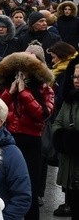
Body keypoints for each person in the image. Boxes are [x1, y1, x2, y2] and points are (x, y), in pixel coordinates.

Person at [0, 49, 54, 220]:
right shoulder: (7, 85)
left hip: (31, 141)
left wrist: (24, 93)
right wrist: (10, 93)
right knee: (3, 184)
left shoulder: (44, 89)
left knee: (29, 188)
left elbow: (43, 114)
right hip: (8, 139)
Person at [52, 60, 79, 218]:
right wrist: (65, 139)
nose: (76, 80)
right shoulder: (69, 100)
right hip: (70, 166)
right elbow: (57, 124)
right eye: (74, 77)